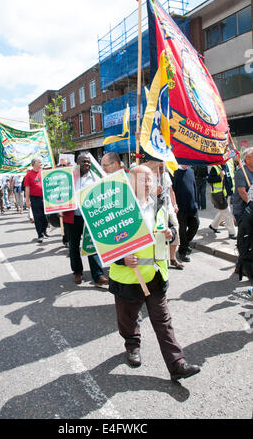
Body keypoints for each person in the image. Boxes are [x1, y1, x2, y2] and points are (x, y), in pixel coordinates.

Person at [108, 165, 200, 381]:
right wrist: (122, 258)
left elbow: (170, 228)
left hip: (156, 274)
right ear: (130, 182)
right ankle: (132, 346)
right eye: (142, 180)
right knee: (128, 319)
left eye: (150, 180)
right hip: (128, 277)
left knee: (163, 321)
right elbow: (103, 243)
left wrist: (171, 233)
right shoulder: (117, 208)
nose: (148, 184)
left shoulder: (159, 203)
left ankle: (177, 364)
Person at [65, 153, 108, 287]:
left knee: (92, 245)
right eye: (84, 162)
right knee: (73, 246)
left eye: (89, 162)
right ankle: (77, 272)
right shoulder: (68, 177)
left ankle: (98, 275)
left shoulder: (95, 178)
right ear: (77, 163)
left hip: (90, 217)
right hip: (72, 217)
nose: (87, 164)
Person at [172, 165, 199, 262]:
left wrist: (196, 203)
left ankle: (185, 245)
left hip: (192, 207)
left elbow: (194, 187)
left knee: (195, 226)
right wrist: (174, 205)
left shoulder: (191, 171)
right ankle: (182, 251)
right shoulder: (174, 172)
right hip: (180, 208)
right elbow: (172, 191)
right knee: (182, 230)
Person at [207, 163, 236, 239]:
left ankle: (213, 225)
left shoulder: (225, 166)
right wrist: (220, 176)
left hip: (225, 193)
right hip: (218, 194)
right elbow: (209, 180)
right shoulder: (215, 167)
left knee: (223, 211)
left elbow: (229, 179)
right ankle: (232, 233)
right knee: (228, 212)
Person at [24, 157, 49, 243]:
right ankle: (40, 235)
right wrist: (27, 201)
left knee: (46, 217)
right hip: (35, 198)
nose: (41, 164)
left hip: (45, 198)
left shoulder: (43, 172)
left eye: (41, 163)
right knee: (37, 217)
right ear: (34, 164)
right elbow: (27, 188)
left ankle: (44, 229)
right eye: (39, 162)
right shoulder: (28, 175)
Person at [232, 147, 253, 225]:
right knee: (246, 235)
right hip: (243, 211)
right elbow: (242, 193)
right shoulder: (241, 173)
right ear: (247, 159)